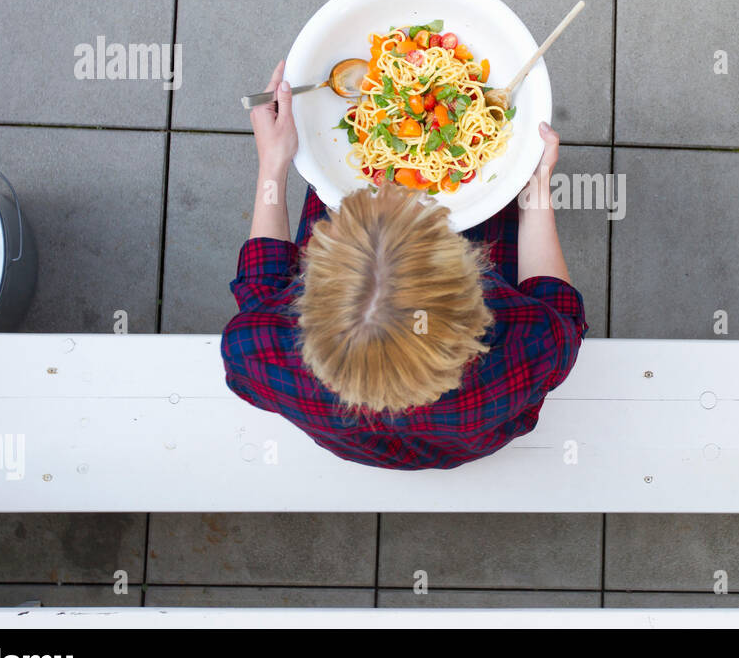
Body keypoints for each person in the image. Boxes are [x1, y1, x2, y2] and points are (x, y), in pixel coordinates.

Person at [220, 60, 588, 469]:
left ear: (304, 302)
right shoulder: (528, 350)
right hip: (472, 432)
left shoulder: (253, 350)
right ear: (473, 290)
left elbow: (261, 280)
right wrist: (536, 191)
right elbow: (557, 304)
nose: (391, 187)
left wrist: (272, 164)